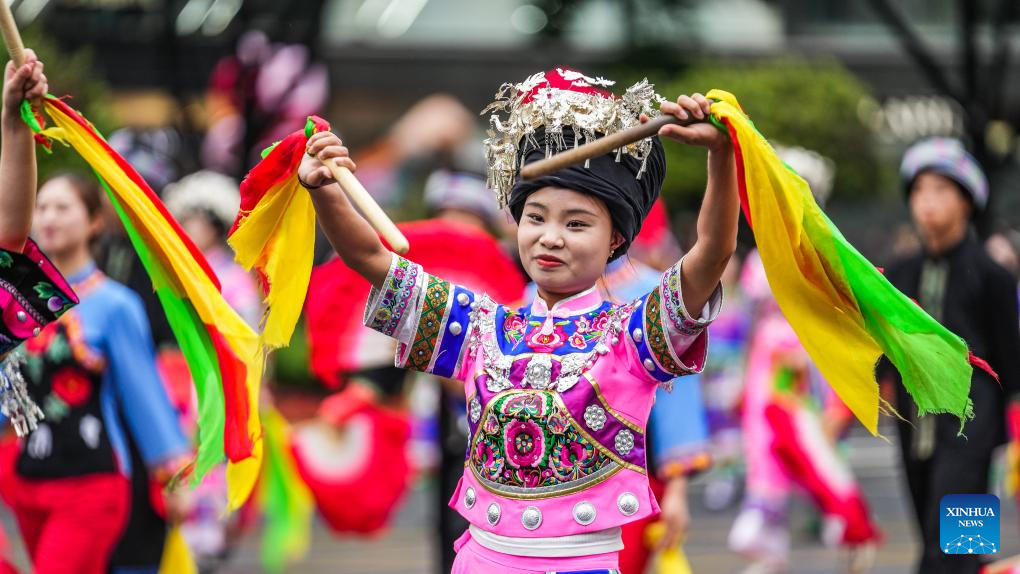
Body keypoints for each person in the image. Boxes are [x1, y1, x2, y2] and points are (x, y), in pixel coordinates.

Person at [297, 68, 738, 571]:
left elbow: (713, 252)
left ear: (615, 239)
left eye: (576, 223)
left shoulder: (631, 334)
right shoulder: (482, 326)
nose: (551, 237)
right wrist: (325, 189)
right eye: (536, 217)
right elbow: (371, 261)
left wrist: (719, 158)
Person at [0, 172, 191, 574]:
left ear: (94, 222)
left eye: (63, 207)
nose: (49, 217)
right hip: (29, 480)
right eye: (42, 206)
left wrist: (174, 476)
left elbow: (143, 394)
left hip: (92, 479)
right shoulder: (18, 300)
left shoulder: (115, 305)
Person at [880, 137, 1020, 574]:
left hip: (973, 428)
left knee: (952, 549)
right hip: (915, 427)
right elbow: (886, 350)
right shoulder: (899, 272)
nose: (927, 202)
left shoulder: (991, 274)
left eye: (941, 190)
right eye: (919, 190)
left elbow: (1011, 358)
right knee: (936, 537)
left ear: (967, 201)